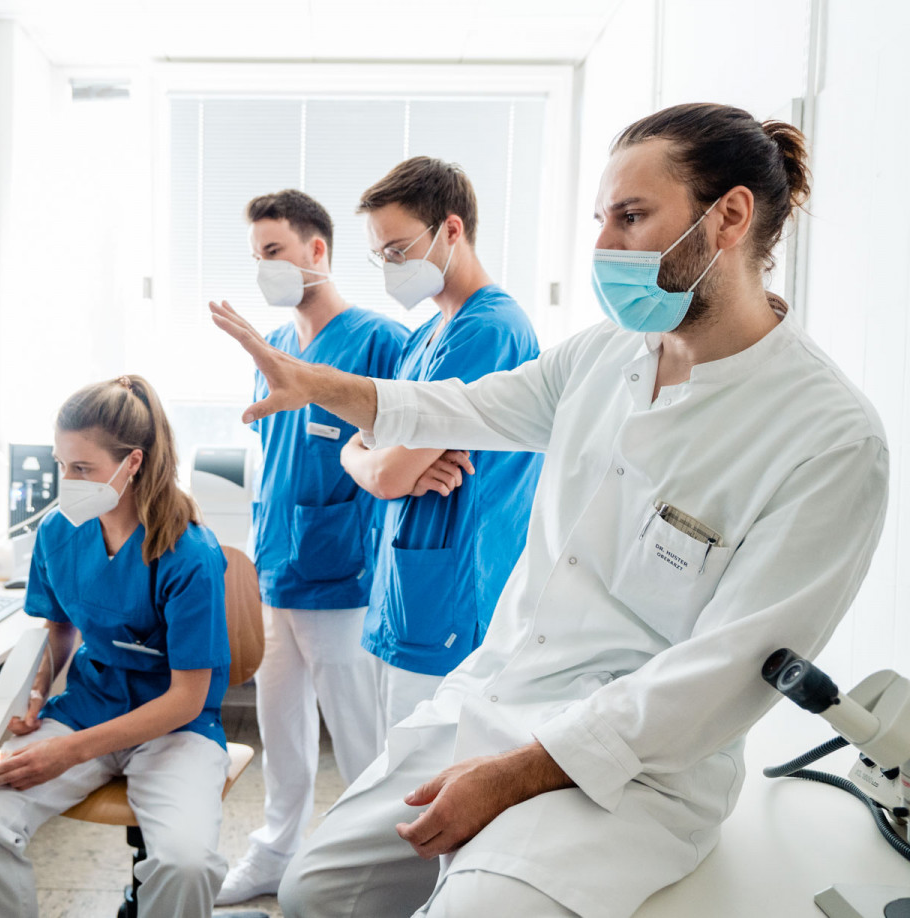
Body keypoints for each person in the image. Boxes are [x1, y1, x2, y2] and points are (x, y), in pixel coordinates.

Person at [209, 103, 890, 917]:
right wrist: (315, 383)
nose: (604, 246)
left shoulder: (828, 437)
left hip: (634, 772)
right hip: (500, 695)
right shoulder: (603, 355)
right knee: (317, 889)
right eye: (602, 218)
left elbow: (722, 674)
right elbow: (453, 406)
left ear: (730, 218)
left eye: (631, 217)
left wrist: (513, 774)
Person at [0, 375, 232, 918]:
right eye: (60, 465)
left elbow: (187, 699)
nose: (66, 481)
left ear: (133, 463)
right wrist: (36, 694)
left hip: (175, 728)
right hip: (87, 707)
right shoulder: (58, 531)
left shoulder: (190, 553)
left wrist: (69, 751)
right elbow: (59, 626)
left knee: (185, 864)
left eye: (82, 468)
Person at [214, 190, 408, 905]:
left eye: (274, 252)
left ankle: (374, 868)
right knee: (279, 730)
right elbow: (274, 466)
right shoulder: (272, 355)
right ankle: (275, 850)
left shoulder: (379, 341)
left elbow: (405, 447)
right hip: (278, 571)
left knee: (360, 739)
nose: (264, 268)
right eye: (257, 256)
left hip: (343, 576)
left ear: (316, 252)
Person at [341, 157, 542, 735]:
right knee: (395, 769)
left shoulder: (491, 331)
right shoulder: (426, 336)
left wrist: (382, 465)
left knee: (422, 785)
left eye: (399, 249)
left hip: (454, 593)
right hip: (408, 591)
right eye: (381, 255)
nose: (390, 267)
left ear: (452, 230)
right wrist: (377, 461)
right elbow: (368, 454)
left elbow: (386, 477)